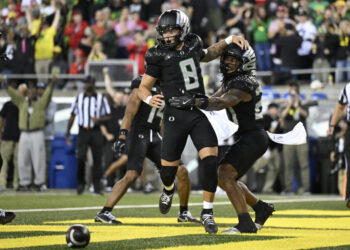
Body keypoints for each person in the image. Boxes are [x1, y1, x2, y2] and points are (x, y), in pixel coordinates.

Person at [138, 9, 248, 234]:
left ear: (183, 29)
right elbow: (143, 87)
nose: (168, 36)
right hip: (173, 115)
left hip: (197, 111)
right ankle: (168, 190)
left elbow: (208, 53)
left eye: (172, 30)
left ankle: (207, 212)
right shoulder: (156, 54)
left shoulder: (193, 43)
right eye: (165, 31)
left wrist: (228, 40)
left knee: (210, 160)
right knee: (168, 172)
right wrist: (149, 98)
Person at [168, 43, 275, 233]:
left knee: (224, 175)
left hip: (254, 137)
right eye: (226, 58)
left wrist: (195, 100)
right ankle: (260, 207)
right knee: (224, 176)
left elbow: (223, 102)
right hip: (249, 136)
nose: (227, 62)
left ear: (245, 63)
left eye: (233, 59)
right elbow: (212, 100)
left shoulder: (243, 83)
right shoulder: (233, 80)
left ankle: (245, 223)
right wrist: (190, 101)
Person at [94, 68, 199, 224]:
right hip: (139, 133)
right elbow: (129, 112)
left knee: (181, 171)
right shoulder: (142, 83)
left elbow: (162, 119)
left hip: (155, 135)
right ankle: (104, 212)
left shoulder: (170, 86)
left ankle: (183, 212)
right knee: (132, 174)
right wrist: (122, 135)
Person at [4, 77, 56, 192]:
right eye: (30, 90)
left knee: (39, 159)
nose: (31, 92)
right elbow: (13, 94)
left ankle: (40, 182)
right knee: (23, 159)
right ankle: (24, 182)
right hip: (24, 134)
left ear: (36, 92)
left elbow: (47, 93)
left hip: (37, 132)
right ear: (27, 92)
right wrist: (5, 85)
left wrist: (52, 82)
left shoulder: (41, 103)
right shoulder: (22, 102)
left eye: (33, 90)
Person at [66, 76, 111, 195]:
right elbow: (72, 116)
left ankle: (96, 186)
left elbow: (108, 116)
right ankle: (81, 183)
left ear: (93, 84)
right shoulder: (79, 98)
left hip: (96, 131)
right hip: (83, 131)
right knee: (80, 157)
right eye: (85, 82)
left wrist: (99, 120)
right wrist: (68, 133)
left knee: (97, 159)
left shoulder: (101, 98)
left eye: (88, 82)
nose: (86, 85)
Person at [280, 81, 309, 195]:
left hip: (301, 139)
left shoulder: (302, 105)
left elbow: (305, 115)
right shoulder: (286, 105)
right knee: (288, 164)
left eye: (295, 93)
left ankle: (306, 188)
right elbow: (282, 116)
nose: (292, 95)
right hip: (288, 138)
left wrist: (297, 104)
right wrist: (289, 104)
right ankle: (289, 188)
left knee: (304, 164)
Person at [0, 84, 27, 191]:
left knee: (18, 162)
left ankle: (17, 184)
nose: (21, 93)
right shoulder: (8, 104)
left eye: (23, 92)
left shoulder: (24, 104)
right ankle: (1, 183)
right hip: (8, 136)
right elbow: (1, 118)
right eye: (20, 91)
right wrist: (0, 131)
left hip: (20, 137)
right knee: (3, 161)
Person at [327, 83, 350, 209]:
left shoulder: (348, 87)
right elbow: (340, 107)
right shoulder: (347, 88)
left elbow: (339, 107)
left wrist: (332, 126)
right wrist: (332, 125)